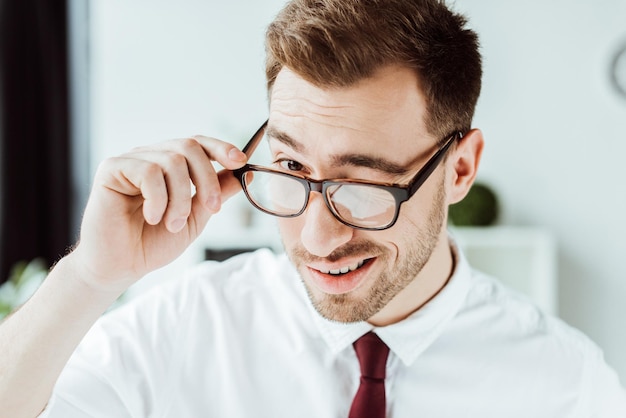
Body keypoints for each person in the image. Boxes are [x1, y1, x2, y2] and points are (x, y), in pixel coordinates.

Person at [1, 0, 625, 416]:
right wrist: (89, 277)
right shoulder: (183, 327)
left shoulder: (568, 387)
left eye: (365, 184)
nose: (317, 236)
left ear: (460, 168)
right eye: (292, 168)